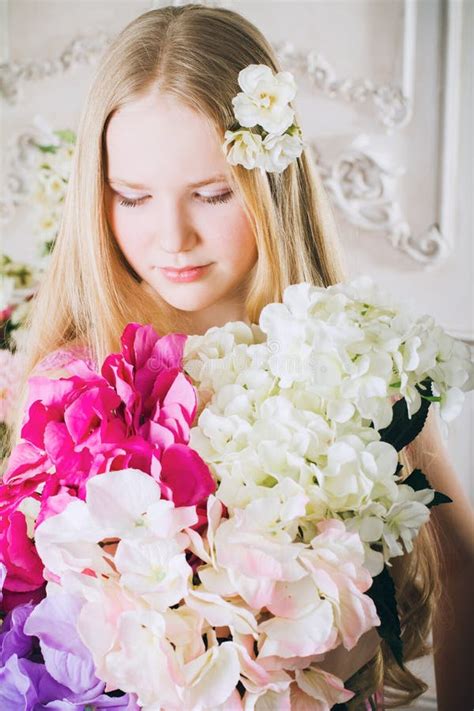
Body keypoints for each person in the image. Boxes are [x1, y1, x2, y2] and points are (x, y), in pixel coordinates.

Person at [5, 4, 473, 709]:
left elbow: (461, 569)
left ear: (271, 180)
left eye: (214, 193)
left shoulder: (358, 360)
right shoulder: (72, 376)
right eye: (132, 197)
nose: (172, 237)